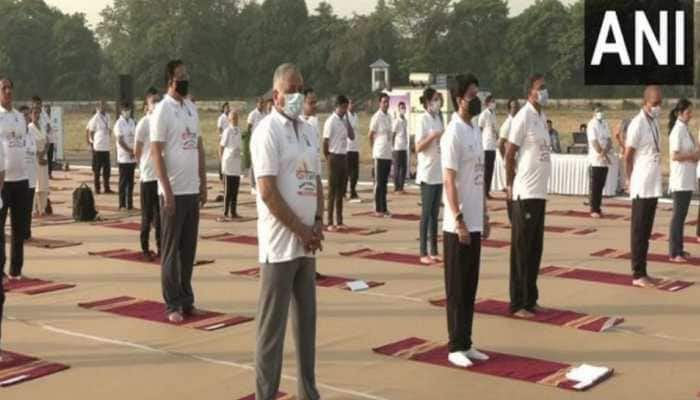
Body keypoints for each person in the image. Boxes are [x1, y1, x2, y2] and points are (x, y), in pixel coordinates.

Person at [252, 63, 323, 400]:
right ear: (277, 94)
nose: (298, 95)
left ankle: (309, 392)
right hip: (280, 245)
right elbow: (266, 190)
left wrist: (318, 221)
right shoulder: (267, 131)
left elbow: (316, 180)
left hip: (306, 246)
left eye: (301, 88)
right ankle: (266, 394)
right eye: (291, 90)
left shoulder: (308, 130)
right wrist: (299, 229)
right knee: (272, 331)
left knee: (306, 326)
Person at [151, 59, 207, 322]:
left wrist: (203, 181)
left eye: (187, 74)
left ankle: (187, 300)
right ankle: (172, 303)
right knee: (171, 251)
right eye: (181, 76)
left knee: (189, 250)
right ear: (170, 80)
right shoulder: (162, 110)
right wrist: (167, 190)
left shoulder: (191, 109)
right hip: (172, 192)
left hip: (191, 190)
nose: (186, 79)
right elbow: (156, 153)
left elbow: (199, 146)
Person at [441, 73, 491, 368]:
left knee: (470, 285)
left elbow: (478, 178)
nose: (477, 101)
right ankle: (454, 345)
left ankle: (467, 342)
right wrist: (458, 218)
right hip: (457, 223)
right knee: (457, 287)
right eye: (473, 96)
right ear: (460, 100)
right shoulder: (454, 133)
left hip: (474, 218)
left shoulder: (474, 130)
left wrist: (483, 213)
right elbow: (449, 180)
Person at [505, 73, 552, 317]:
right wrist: (509, 186)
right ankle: (518, 303)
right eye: (540, 88)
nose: (545, 91)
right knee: (521, 250)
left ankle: (531, 298)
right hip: (525, 192)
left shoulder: (542, 116)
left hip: (540, 192)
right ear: (530, 93)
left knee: (535, 249)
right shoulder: (522, 117)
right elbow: (509, 153)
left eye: (545, 87)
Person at [624, 85, 663, 288]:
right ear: (645, 103)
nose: (658, 107)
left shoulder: (654, 122)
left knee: (646, 231)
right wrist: (630, 180)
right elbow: (628, 156)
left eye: (660, 103)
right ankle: (637, 273)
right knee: (639, 231)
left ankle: (644, 271)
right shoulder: (637, 124)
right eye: (655, 103)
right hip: (641, 184)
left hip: (653, 184)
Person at [0, 78, 29, 281]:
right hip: (2, 180)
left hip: (21, 178)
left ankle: (16, 270)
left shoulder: (20, 117)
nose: (8, 91)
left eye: (10, 88)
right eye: (4, 88)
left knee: (20, 228)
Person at [667, 99, 697, 262]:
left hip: (687, 178)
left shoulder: (685, 129)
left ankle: (680, 248)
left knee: (682, 215)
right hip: (680, 180)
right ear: (679, 113)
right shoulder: (677, 131)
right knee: (678, 216)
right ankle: (674, 252)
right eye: (688, 112)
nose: (690, 115)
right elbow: (674, 155)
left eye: (691, 112)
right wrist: (692, 156)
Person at [416, 88, 444, 264]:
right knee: (426, 214)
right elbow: (418, 146)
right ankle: (423, 252)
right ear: (427, 102)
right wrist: (432, 136)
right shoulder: (423, 120)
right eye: (434, 100)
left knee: (435, 214)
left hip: (438, 171)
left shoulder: (438, 118)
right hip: (427, 172)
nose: (437, 103)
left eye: (438, 100)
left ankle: (434, 249)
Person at [135, 87, 161, 259]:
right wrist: (142, 166)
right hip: (148, 176)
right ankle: (144, 248)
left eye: (158, 101)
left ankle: (161, 247)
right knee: (147, 215)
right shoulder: (144, 123)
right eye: (153, 101)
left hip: (160, 176)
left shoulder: (162, 121)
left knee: (160, 217)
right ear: (147, 104)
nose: (156, 104)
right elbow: (136, 150)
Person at [323, 95, 354, 231]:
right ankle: (330, 221)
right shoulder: (331, 121)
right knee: (332, 191)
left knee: (341, 191)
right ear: (339, 106)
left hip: (343, 156)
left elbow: (352, 136)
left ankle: (339, 220)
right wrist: (328, 157)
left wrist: (347, 120)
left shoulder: (344, 120)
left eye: (347, 107)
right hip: (334, 157)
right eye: (344, 107)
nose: (346, 109)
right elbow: (325, 142)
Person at [587, 104, 613, 218]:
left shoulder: (605, 123)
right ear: (593, 112)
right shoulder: (591, 124)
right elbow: (594, 142)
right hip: (595, 160)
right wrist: (601, 153)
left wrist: (605, 153)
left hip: (604, 159)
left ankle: (598, 207)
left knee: (601, 185)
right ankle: (593, 209)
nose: (600, 113)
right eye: (598, 111)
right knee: (595, 185)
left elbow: (609, 140)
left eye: (601, 110)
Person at [369, 93, 393, 217]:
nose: (386, 104)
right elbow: (370, 135)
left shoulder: (389, 116)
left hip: (387, 154)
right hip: (379, 153)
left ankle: (384, 207)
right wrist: (374, 149)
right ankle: (377, 208)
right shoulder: (376, 117)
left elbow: (390, 135)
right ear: (380, 103)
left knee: (384, 183)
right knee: (378, 183)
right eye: (384, 102)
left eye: (387, 102)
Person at [498, 98, 520, 223]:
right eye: (513, 107)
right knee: (510, 189)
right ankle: (511, 217)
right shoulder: (507, 124)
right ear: (509, 109)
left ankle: (517, 214)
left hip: (518, 162)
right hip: (510, 163)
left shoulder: (519, 121)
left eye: (517, 106)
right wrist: (506, 159)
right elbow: (500, 144)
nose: (516, 109)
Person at [86, 100, 113, 194]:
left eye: (104, 105)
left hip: (106, 147)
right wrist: (92, 144)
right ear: (98, 107)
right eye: (101, 106)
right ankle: (97, 188)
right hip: (98, 147)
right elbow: (90, 131)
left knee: (107, 170)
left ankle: (107, 187)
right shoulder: (95, 118)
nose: (103, 107)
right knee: (97, 170)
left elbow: (110, 129)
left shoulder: (108, 116)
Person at [220, 110, 242, 219]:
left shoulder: (239, 130)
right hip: (228, 164)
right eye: (233, 118)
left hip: (236, 164)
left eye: (236, 118)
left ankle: (233, 212)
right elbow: (222, 147)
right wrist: (222, 162)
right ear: (229, 120)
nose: (235, 120)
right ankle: (225, 212)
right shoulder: (227, 131)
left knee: (235, 190)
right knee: (228, 191)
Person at [115, 101, 137, 210]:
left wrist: (134, 151)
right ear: (121, 111)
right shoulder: (119, 123)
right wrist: (129, 151)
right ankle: (122, 204)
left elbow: (135, 137)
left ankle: (130, 204)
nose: (127, 112)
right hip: (123, 157)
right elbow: (120, 140)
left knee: (131, 182)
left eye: (128, 110)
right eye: (125, 110)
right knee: (123, 182)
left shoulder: (132, 122)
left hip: (132, 157)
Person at [21, 106, 36, 241]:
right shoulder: (16, 134)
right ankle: (19, 231)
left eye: (28, 115)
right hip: (20, 177)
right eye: (24, 115)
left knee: (28, 207)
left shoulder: (31, 133)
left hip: (31, 176)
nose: (26, 117)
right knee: (19, 207)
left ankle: (27, 231)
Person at [245, 98, 266, 195]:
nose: (262, 105)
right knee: (253, 163)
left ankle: (258, 183)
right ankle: (252, 185)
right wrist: (249, 140)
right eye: (260, 103)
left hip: (263, 142)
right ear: (257, 104)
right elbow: (248, 128)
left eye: (263, 103)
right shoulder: (253, 114)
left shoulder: (265, 114)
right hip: (254, 141)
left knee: (260, 163)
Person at [31, 106, 49, 217]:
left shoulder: (42, 127)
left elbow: (47, 142)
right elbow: (30, 144)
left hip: (44, 157)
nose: (37, 115)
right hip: (34, 159)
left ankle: (42, 208)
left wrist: (44, 154)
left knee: (44, 185)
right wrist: (39, 156)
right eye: (34, 113)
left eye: (38, 113)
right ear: (31, 115)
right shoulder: (29, 128)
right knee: (35, 184)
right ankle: (33, 208)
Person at [479, 95, 498, 198]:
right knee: (485, 170)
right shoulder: (484, 114)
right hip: (485, 145)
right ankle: (483, 191)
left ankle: (487, 191)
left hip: (492, 145)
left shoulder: (494, 114)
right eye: (491, 102)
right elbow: (480, 129)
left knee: (490, 169)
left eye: (494, 101)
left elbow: (495, 129)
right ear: (487, 104)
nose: (493, 103)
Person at [392, 101, 409, 194]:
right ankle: (396, 187)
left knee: (404, 168)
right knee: (397, 168)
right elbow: (393, 134)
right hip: (397, 147)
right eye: (401, 108)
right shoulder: (397, 121)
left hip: (404, 147)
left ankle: (401, 187)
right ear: (398, 109)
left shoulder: (405, 120)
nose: (403, 109)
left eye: (404, 107)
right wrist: (392, 146)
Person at [346, 99, 361, 201]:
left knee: (355, 172)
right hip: (347, 148)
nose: (353, 105)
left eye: (354, 103)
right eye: (351, 103)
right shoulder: (345, 116)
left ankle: (353, 190)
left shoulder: (356, 116)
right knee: (346, 172)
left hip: (355, 147)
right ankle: (343, 191)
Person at [216, 102, 230, 181]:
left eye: (228, 108)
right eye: (226, 108)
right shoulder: (221, 118)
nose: (228, 109)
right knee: (222, 156)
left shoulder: (230, 117)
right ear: (223, 109)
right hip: (223, 139)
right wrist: (221, 137)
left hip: (229, 139)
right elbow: (219, 129)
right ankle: (221, 175)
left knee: (227, 157)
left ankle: (227, 173)